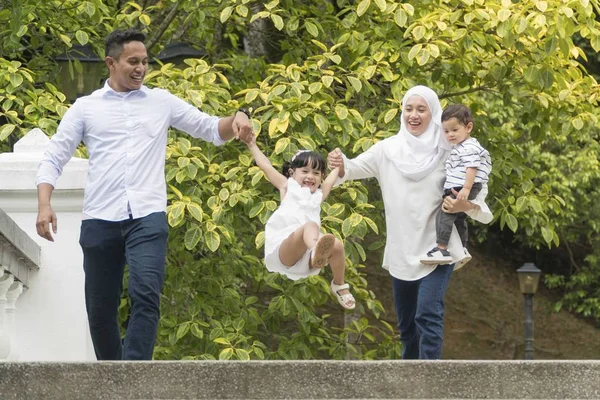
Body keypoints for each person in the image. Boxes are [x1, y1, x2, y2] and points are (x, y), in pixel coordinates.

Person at [35, 28, 254, 360]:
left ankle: (134, 377)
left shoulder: (161, 102)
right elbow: (54, 157)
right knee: (99, 308)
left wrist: (239, 117)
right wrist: (43, 205)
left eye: (145, 62)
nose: (141, 68)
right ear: (111, 62)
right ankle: (114, 379)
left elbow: (209, 127)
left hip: (147, 217)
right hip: (99, 219)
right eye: (132, 61)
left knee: (146, 293)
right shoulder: (85, 109)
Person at [328, 85, 492, 359]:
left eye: (421, 109)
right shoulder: (388, 150)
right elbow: (352, 167)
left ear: (434, 114)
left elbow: (478, 192)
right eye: (408, 109)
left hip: (438, 250)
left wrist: (464, 204)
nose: (413, 115)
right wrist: (338, 161)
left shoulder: (450, 151)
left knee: (427, 314)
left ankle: (430, 382)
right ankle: (411, 382)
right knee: (406, 327)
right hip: (401, 250)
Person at [245, 135, 355, 309]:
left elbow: (334, 173)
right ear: (292, 173)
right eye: (305, 171)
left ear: (321, 177)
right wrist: (251, 144)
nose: (310, 176)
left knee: (338, 245)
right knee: (310, 226)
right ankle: (316, 249)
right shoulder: (287, 187)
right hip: (285, 250)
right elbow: (265, 166)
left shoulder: (319, 195)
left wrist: (339, 157)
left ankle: (339, 284)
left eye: (316, 173)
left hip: (306, 263)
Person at [420, 104, 492, 265]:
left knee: (445, 212)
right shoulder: (461, 146)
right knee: (459, 217)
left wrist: (466, 189)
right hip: (461, 186)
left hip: (464, 187)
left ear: (468, 127)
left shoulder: (469, 147)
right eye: (446, 131)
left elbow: (472, 168)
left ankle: (441, 248)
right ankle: (462, 247)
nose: (450, 135)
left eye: (454, 130)